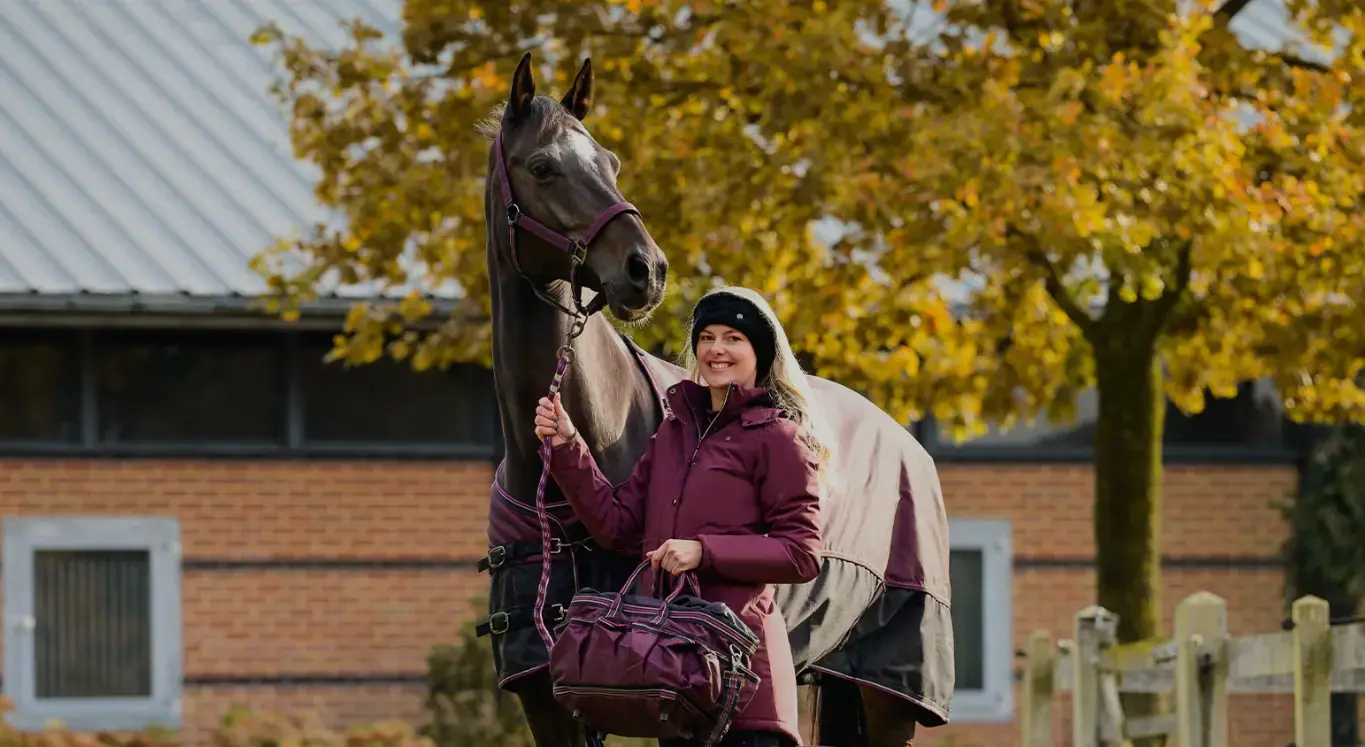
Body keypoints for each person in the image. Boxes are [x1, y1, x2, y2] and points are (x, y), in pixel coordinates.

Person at [534, 286, 834, 747]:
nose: (717, 349)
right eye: (707, 336)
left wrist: (704, 551)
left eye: (734, 337)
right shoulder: (672, 435)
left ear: (760, 351)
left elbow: (801, 554)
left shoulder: (779, 438)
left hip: (746, 686)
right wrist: (568, 446)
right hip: (677, 681)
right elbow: (617, 525)